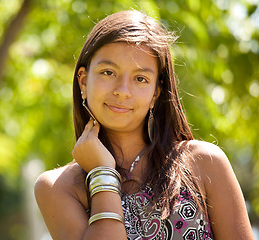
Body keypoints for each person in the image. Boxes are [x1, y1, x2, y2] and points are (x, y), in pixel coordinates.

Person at [34, 10, 254, 240]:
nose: (122, 91)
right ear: (83, 81)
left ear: (155, 94)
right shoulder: (59, 187)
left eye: (140, 79)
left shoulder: (204, 163)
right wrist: (102, 174)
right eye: (108, 72)